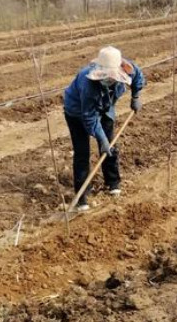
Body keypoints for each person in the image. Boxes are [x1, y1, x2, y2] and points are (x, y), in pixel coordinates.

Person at [63, 46, 145, 212]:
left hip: (105, 107)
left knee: (110, 146)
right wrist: (101, 139)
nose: (109, 80)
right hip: (77, 112)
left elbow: (138, 77)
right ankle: (82, 197)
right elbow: (89, 117)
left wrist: (135, 96)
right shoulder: (88, 84)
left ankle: (113, 182)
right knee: (82, 153)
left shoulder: (128, 68)